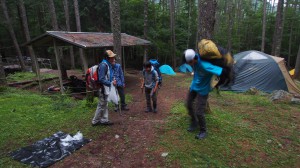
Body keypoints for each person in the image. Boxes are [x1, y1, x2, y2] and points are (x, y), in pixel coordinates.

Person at [184, 49, 224, 139]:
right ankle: (194, 121)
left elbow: (221, 71)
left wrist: (217, 82)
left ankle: (203, 131)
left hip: (203, 89)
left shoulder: (205, 65)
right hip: (194, 86)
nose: (189, 64)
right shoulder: (194, 60)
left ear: (194, 59)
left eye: (190, 62)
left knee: (199, 111)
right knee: (188, 104)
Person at [92, 50, 117, 126]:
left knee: (105, 104)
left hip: (106, 88)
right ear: (107, 58)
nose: (113, 58)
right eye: (111, 57)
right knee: (101, 104)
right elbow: (101, 79)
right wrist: (110, 83)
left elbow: (107, 76)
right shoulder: (103, 65)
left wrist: (112, 81)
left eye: (113, 57)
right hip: (102, 89)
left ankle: (104, 120)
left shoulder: (107, 64)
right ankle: (95, 121)